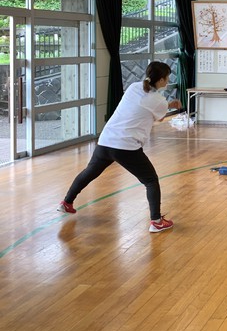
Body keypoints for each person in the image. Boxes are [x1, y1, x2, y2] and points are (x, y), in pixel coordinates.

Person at [57, 62, 182, 233]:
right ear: (160, 80)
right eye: (167, 78)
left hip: (106, 139)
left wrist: (168, 105)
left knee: (89, 172)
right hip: (126, 145)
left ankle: (66, 202)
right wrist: (171, 104)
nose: (168, 81)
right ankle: (156, 221)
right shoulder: (158, 100)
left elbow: (144, 107)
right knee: (151, 180)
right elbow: (159, 117)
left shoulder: (134, 87)